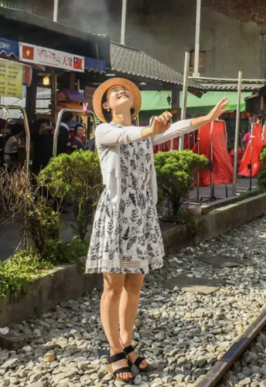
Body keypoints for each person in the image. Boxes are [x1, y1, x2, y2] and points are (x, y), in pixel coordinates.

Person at [87, 78, 230, 382]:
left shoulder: (142, 134)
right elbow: (135, 133)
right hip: (116, 213)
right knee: (113, 285)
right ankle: (114, 350)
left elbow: (175, 129)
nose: (121, 92)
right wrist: (152, 129)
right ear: (106, 106)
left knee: (134, 285)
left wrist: (206, 119)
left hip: (141, 214)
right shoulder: (105, 131)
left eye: (124, 90)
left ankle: (127, 344)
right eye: (114, 92)